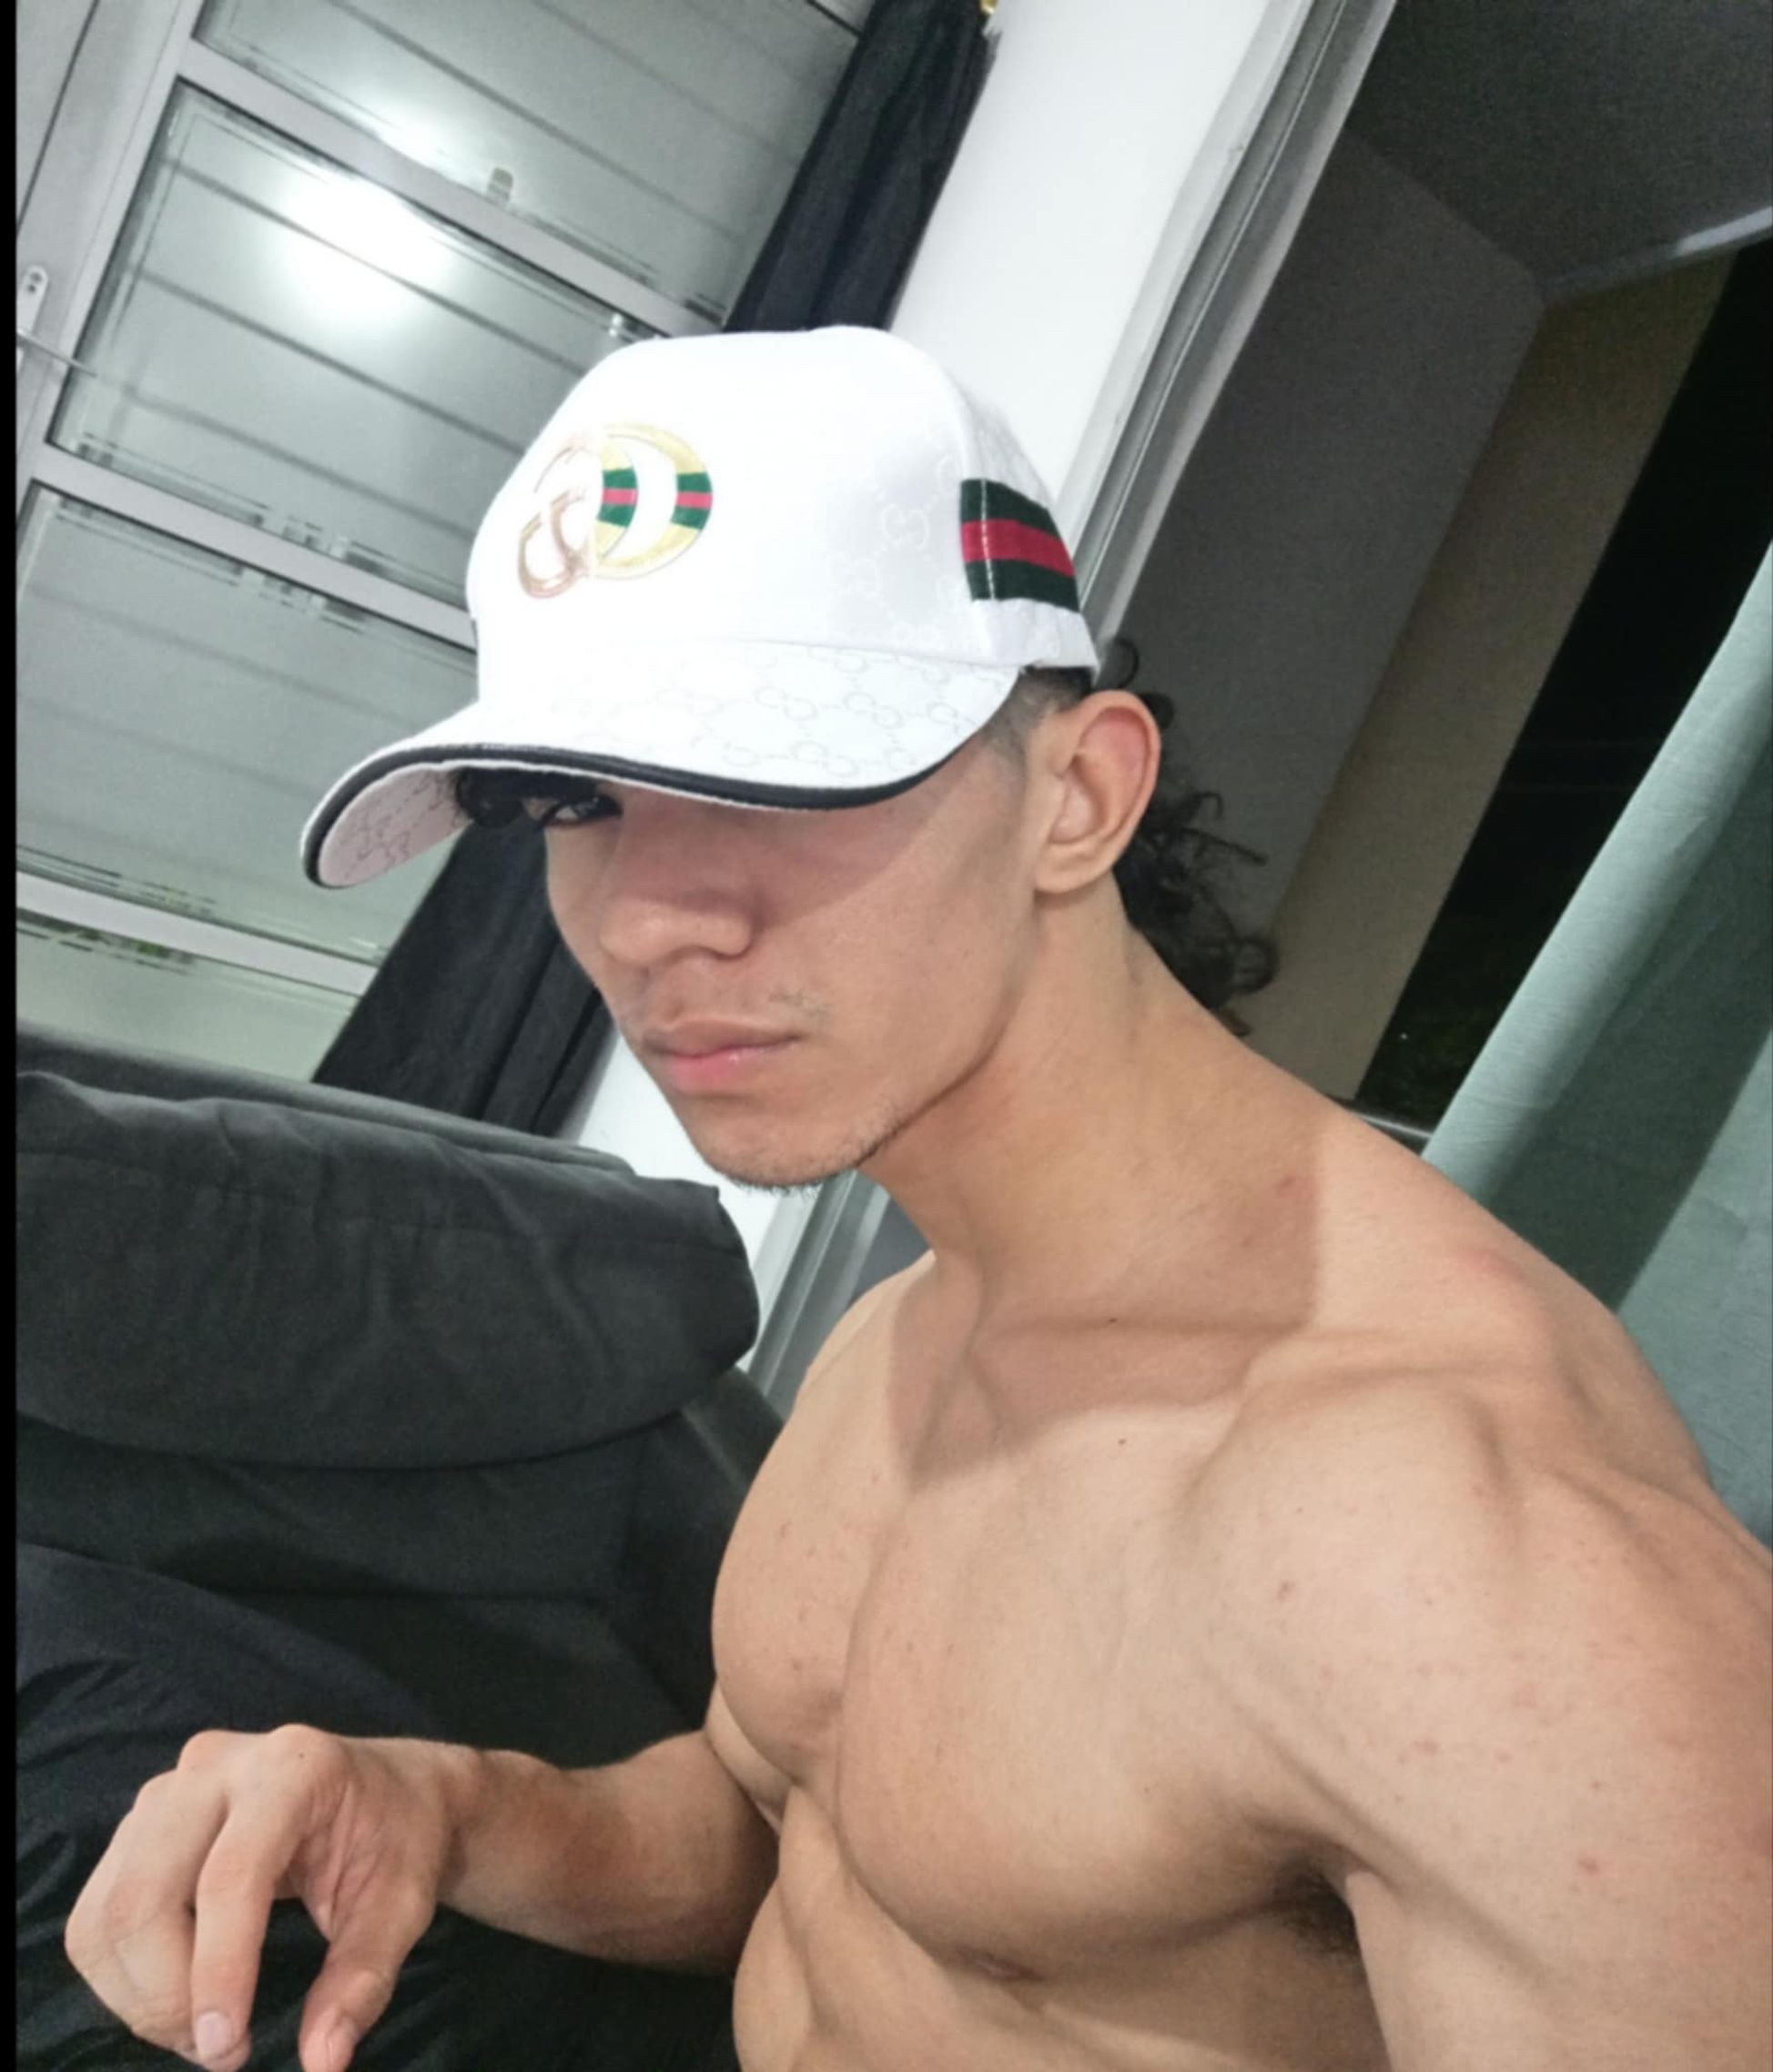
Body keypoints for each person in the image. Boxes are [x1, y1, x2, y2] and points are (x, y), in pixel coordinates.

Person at [66, 327, 1772, 2072]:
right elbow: (782, 1829)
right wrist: (444, 1803)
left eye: (763, 771)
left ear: (1078, 796)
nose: (645, 917)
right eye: (571, 800)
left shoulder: (1467, 1552)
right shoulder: (905, 1330)